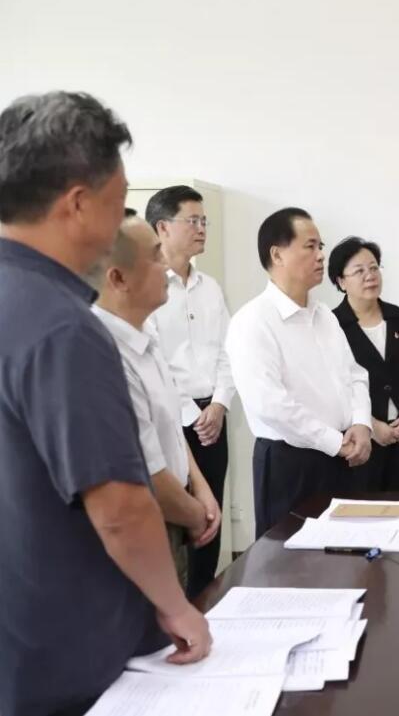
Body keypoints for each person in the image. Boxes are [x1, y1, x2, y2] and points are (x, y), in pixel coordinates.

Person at [0, 91, 209, 716]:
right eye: (119, 202)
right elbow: (119, 506)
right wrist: (175, 606)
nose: (124, 220)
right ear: (78, 204)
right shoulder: (65, 326)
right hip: (70, 650)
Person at [92, 216, 222, 590]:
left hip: (175, 509)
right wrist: (194, 513)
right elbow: (145, 472)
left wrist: (200, 487)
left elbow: (169, 428)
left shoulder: (146, 334)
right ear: (118, 278)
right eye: (155, 257)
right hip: (147, 523)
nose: (166, 267)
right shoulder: (106, 353)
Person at [227, 208, 373, 538]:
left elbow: (355, 375)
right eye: (310, 246)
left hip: (343, 456)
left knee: (347, 553)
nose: (321, 255)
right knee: (290, 560)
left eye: (321, 246)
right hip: (291, 465)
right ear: (277, 254)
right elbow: (270, 404)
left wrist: (362, 424)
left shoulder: (325, 316)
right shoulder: (252, 321)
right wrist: (334, 442)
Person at [145, 185, 234, 598]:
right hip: (172, 419)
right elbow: (153, 363)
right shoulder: (148, 285)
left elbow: (228, 352)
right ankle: (176, 605)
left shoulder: (210, 287)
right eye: (192, 220)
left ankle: (205, 600)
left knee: (212, 513)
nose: (201, 229)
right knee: (178, 520)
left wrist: (219, 404)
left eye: (204, 221)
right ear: (162, 227)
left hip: (214, 416)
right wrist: (193, 416)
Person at [328, 237, 399, 492]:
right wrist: (371, 425)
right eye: (359, 271)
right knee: (362, 509)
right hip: (357, 439)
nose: (370, 276)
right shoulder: (332, 325)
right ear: (341, 281)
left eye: (374, 268)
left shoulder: (398, 317)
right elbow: (334, 387)